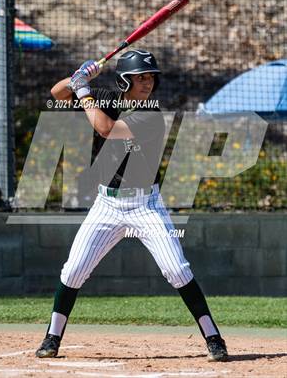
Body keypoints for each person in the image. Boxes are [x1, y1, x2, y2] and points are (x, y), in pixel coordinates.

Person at [35, 49, 228, 362]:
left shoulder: (151, 115)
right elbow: (57, 94)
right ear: (124, 80)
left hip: (145, 206)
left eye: (150, 77)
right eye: (140, 77)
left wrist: (83, 91)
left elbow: (106, 129)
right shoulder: (106, 96)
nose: (147, 83)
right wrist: (79, 76)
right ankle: (52, 337)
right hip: (106, 205)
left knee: (176, 270)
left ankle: (214, 337)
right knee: (73, 270)